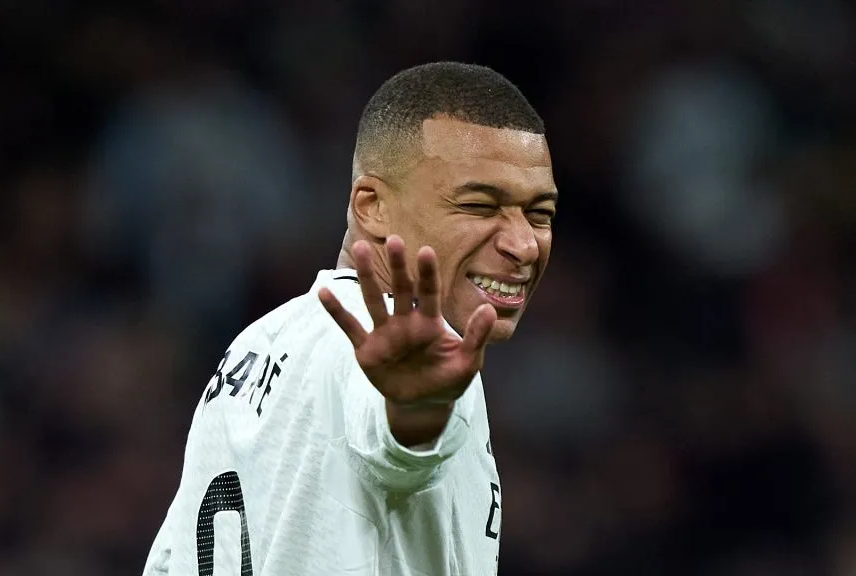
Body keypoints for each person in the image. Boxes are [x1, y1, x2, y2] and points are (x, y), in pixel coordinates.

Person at [142, 61, 557, 576]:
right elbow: (394, 442)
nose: (523, 244)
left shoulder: (254, 347)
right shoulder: (414, 364)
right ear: (373, 205)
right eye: (477, 205)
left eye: (540, 214)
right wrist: (417, 412)